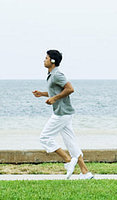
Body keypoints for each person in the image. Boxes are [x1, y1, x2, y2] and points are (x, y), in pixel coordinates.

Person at [33, 49, 94, 179]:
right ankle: (85, 172)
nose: (44, 60)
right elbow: (56, 91)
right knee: (71, 143)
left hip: (61, 113)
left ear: (53, 61)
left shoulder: (57, 75)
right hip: (65, 113)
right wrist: (43, 94)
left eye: (46, 58)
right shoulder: (52, 75)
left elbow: (70, 89)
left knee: (44, 138)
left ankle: (67, 160)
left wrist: (54, 99)